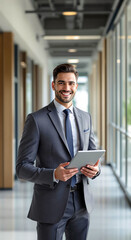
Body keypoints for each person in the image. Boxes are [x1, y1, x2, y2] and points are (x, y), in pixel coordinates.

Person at [16, 63, 100, 240]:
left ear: (76, 86)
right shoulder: (36, 120)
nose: (66, 88)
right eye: (61, 83)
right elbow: (22, 168)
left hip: (82, 203)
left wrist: (95, 171)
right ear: (53, 85)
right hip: (50, 204)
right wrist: (53, 174)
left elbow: (93, 154)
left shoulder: (86, 118)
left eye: (71, 83)